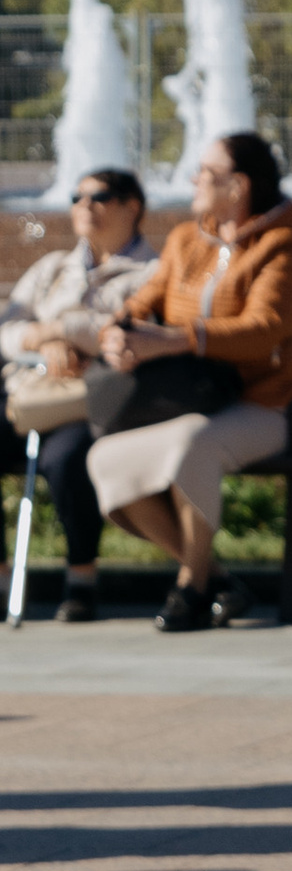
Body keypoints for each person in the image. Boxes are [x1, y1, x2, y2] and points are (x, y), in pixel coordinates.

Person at [88, 131, 292, 632]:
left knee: (193, 447)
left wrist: (174, 341)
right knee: (105, 458)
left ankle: (190, 586)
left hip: (266, 406)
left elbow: (264, 330)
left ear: (238, 186)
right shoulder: (187, 239)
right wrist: (118, 333)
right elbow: (146, 299)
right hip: (190, 402)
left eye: (205, 174)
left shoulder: (285, 245)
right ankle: (220, 583)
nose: (193, 180)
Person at [1, 168, 156, 621]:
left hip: (92, 400)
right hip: (30, 392)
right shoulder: (51, 267)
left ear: (133, 206)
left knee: (66, 458)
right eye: (77, 197)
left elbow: (127, 330)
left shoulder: (153, 272)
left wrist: (62, 330)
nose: (84, 206)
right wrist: (41, 342)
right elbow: (6, 331)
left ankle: (81, 579)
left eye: (99, 196)